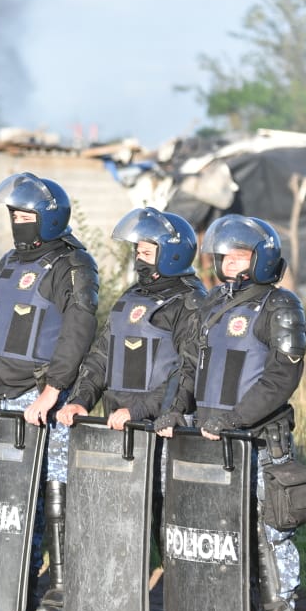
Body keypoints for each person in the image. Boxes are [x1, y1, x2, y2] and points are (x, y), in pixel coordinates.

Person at [0, 171, 99, 611]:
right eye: (14, 214)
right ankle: (14, 578)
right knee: (6, 496)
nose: (18, 221)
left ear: (49, 218)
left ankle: (61, 585)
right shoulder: (9, 262)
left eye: (26, 214)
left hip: (40, 395)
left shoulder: (74, 265)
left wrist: (53, 390)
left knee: (53, 488)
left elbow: (78, 330)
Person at [155, 214, 306, 611]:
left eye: (239, 258)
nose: (229, 266)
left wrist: (236, 419)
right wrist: (173, 411)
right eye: (224, 258)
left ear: (262, 261)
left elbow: (282, 376)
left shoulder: (281, 307)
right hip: (210, 439)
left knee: (268, 532)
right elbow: (189, 368)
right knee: (218, 532)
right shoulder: (213, 302)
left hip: (259, 441)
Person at [56, 207, 206, 551]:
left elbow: (188, 371)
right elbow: (101, 356)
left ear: (172, 253)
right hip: (118, 431)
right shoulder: (130, 298)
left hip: (162, 429)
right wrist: (80, 399)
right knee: (120, 522)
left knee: (170, 521)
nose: (139, 258)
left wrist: (138, 410)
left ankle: (180, 596)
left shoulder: (190, 302)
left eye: (147, 251)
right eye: (137, 250)